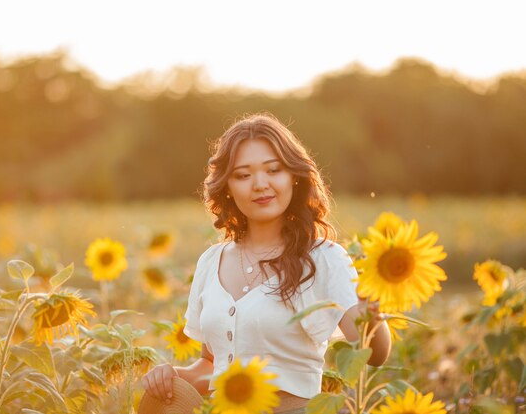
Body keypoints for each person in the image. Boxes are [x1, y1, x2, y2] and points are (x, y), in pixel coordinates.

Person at [141, 113, 391, 413]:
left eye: (274, 170)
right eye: (243, 175)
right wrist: (172, 375)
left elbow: (373, 354)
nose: (260, 184)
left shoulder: (323, 257)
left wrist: (372, 314)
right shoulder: (211, 261)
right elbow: (212, 365)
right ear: (228, 186)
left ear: (294, 177)